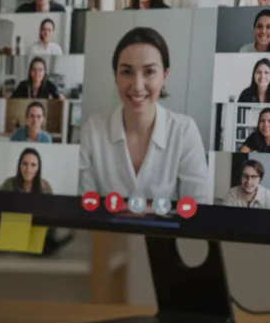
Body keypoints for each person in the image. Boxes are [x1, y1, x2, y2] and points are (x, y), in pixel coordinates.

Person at [78, 27, 212, 204]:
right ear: (115, 76)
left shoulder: (184, 131)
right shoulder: (92, 130)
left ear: (165, 75)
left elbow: (198, 208)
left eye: (149, 72)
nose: (138, 86)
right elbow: (84, 208)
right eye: (127, 72)